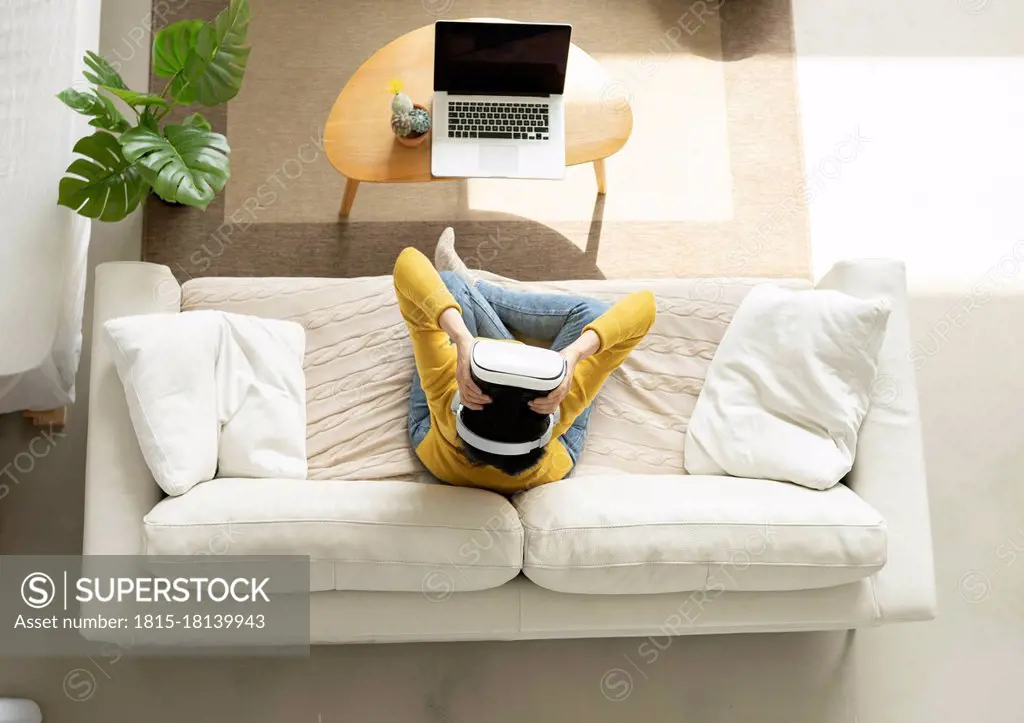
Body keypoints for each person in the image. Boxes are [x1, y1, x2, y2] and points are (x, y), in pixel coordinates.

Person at [394, 231, 656, 494]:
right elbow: (646, 306)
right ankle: (478, 289)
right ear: (549, 424)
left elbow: (408, 262)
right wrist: (573, 355)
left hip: (436, 450)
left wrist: (462, 339)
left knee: (449, 283)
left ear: (459, 406)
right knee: (595, 316)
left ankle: (473, 288)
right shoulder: (558, 401)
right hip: (558, 455)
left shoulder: (445, 389)